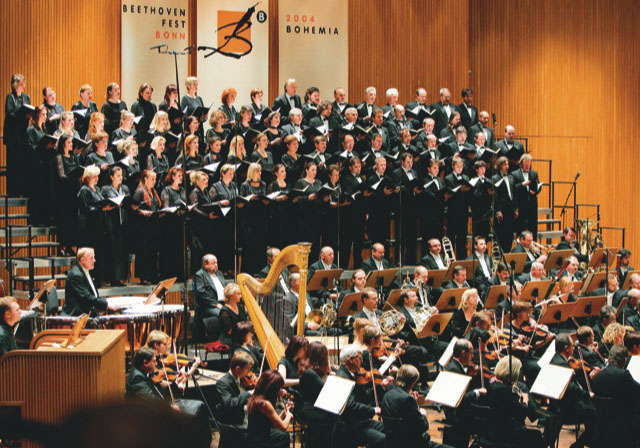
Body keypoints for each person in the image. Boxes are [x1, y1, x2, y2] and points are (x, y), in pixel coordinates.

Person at [382, 364, 452, 448]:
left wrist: (414, 403)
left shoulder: (388, 394)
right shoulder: (407, 400)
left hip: (392, 442)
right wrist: (422, 414)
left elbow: (404, 417)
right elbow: (422, 427)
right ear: (412, 383)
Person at [549, 334, 597, 448]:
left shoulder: (555, 359)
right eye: (572, 346)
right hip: (566, 408)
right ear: (566, 348)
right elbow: (571, 388)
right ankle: (578, 445)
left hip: (558, 404)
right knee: (595, 414)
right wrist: (587, 394)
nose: (574, 348)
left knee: (591, 410)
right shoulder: (562, 364)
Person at [485, 357, 544, 448]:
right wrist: (525, 401)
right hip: (503, 435)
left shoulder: (491, 385)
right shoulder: (503, 390)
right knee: (536, 435)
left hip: (489, 432)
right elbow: (520, 414)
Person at [335, 344, 386, 448]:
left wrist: (380, 386)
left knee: (388, 429)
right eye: (359, 358)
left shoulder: (351, 374)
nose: (362, 361)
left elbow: (364, 397)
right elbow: (351, 406)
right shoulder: (343, 378)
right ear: (351, 360)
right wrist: (373, 410)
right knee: (381, 439)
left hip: (358, 421)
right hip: (350, 427)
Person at [592, 344, 640, 447]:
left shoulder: (597, 376)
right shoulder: (623, 375)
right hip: (623, 424)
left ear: (609, 359)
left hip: (602, 425)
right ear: (625, 360)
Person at [61, 247, 117, 316]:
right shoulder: (76, 275)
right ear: (82, 260)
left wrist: (106, 301)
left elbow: (93, 295)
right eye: (91, 258)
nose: (94, 260)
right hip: (76, 316)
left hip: (87, 314)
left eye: (94, 257)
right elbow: (86, 297)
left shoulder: (86, 272)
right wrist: (106, 304)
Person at [246, 370, 294, 448]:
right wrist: (289, 415)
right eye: (279, 388)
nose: (280, 390)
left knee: (283, 436)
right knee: (283, 436)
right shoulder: (265, 404)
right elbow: (283, 427)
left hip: (255, 438)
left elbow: (273, 424)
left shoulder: (257, 398)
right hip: (260, 442)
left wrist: (285, 411)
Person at [100, 166, 131, 286]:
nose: (121, 177)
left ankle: (121, 277)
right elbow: (104, 203)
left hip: (123, 220)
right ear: (111, 177)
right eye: (118, 175)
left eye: (121, 175)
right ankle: (113, 278)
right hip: (111, 221)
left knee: (122, 251)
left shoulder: (125, 188)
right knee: (113, 250)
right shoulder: (105, 189)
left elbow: (128, 201)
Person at [77, 165, 107, 281]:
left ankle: (97, 278)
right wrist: (102, 208)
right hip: (88, 228)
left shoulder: (97, 189)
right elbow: (87, 209)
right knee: (89, 254)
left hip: (97, 226)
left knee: (98, 254)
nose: (97, 179)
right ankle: (89, 278)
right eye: (94, 177)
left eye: (97, 176)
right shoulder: (84, 190)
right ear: (88, 177)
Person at [215, 350, 254, 437]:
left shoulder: (241, 378)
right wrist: (248, 393)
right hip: (234, 423)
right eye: (247, 369)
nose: (249, 373)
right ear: (238, 369)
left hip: (246, 417)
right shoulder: (223, 383)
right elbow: (229, 404)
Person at [132, 170, 162, 284]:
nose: (154, 181)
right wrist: (143, 212)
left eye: (155, 179)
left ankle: (152, 275)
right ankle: (143, 276)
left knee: (152, 251)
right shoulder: (140, 191)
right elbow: (133, 208)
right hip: (143, 226)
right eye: (152, 179)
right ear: (145, 179)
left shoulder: (153, 191)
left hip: (153, 225)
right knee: (144, 252)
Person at [391, 152, 420, 264]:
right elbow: (397, 189)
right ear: (402, 162)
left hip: (413, 209)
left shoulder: (414, 172)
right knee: (401, 236)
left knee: (412, 236)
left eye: (411, 162)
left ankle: (411, 260)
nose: (410, 164)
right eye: (408, 162)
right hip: (402, 208)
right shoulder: (396, 173)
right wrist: (410, 189)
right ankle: (399, 260)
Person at [209, 164, 238, 274]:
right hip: (220, 219)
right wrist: (220, 202)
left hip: (231, 218)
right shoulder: (215, 186)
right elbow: (210, 202)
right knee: (221, 244)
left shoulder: (234, 185)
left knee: (230, 244)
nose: (232, 176)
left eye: (233, 174)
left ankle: (230, 269)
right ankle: (222, 269)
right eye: (230, 173)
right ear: (223, 173)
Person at [239, 163, 268, 274]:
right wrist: (250, 198)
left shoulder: (263, 184)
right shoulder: (245, 185)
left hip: (261, 216)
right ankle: (248, 272)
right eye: (257, 171)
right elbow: (242, 201)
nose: (260, 173)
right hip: (249, 217)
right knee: (249, 245)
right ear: (251, 172)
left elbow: (265, 197)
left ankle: (260, 271)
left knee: (261, 244)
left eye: (260, 171)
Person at [54, 134, 80, 255]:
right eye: (69, 142)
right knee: (64, 219)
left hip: (74, 191)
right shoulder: (59, 157)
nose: (71, 144)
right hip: (64, 192)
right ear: (63, 144)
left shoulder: (73, 157)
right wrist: (73, 177)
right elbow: (61, 175)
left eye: (71, 142)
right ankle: (61, 246)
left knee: (72, 219)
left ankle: (69, 245)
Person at [159, 166, 187, 281]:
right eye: (179, 176)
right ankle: (169, 274)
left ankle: (180, 274)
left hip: (180, 222)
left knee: (180, 248)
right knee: (170, 248)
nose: (181, 178)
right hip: (170, 223)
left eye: (182, 176)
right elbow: (166, 206)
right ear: (173, 177)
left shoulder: (182, 189)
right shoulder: (167, 190)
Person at [340, 157, 368, 268]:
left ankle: (358, 266)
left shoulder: (362, 178)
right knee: (347, 243)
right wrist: (361, 194)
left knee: (359, 242)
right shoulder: (346, 179)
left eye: (359, 167)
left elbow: (365, 198)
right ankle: (344, 266)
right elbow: (349, 194)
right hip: (350, 214)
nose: (358, 169)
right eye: (356, 167)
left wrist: (366, 211)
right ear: (350, 167)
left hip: (361, 213)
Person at [293, 161, 323, 260]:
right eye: (312, 170)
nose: (315, 172)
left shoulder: (318, 182)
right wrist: (307, 198)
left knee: (316, 245)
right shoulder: (300, 182)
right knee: (306, 245)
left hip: (317, 217)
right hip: (305, 218)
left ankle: (313, 265)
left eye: (316, 170)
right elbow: (295, 200)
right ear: (306, 170)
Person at [444, 156, 471, 259]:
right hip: (453, 211)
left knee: (462, 237)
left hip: (463, 211)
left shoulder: (466, 178)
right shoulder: (448, 178)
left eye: (461, 166)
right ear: (453, 166)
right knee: (451, 236)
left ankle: (462, 258)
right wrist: (460, 190)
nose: (460, 168)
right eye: (458, 166)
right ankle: (451, 259)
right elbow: (449, 194)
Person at [492, 156, 518, 253]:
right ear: (500, 166)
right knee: (500, 235)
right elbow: (495, 196)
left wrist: (516, 208)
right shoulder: (495, 178)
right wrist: (498, 211)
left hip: (510, 210)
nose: (507, 166)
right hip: (502, 210)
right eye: (504, 165)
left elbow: (514, 194)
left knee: (509, 235)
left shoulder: (511, 177)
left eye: (507, 164)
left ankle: (507, 254)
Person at [511, 153, 540, 238]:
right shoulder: (514, 174)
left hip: (532, 204)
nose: (527, 166)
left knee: (533, 227)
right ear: (521, 163)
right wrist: (522, 184)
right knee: (520, 227)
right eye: (525, 164)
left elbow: (538, 186)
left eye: (529, 164)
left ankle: (533, 244)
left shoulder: (534, 173)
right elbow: (513, 188)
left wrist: (535, 191)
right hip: (521, 204)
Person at [266, 164, 292, 248]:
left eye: (285, 171)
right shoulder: (272, 185)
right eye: (282, 171)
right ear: (276, 173)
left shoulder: (288, 185)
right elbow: (268, 200)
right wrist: (278, 199)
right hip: (276, 216)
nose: (285, 173)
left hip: (287, 216)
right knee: (277, 241)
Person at [130, 83, 157, 154]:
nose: (149, 95)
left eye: (150, 93)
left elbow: (154, 122)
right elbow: (132, 123)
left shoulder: (153, 106)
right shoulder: (136, 105)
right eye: (147, 93)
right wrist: (139, 139)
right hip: (139, 138)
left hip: (150, 137)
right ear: (141, 93)